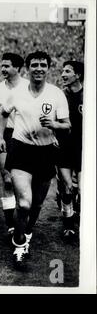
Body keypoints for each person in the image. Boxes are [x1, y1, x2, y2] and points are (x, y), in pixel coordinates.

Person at [0, 51, 70, 269]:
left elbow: (67, 125)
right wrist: (1, 137)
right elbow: (2, 113)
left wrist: (55, 125)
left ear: (48, 68)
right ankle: (19, 244)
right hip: (20, 151)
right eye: (35, 65)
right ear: (27, 68)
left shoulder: (56, 94)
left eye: (43, 65)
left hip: (45, 152)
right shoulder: (17, 93)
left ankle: (26, 233)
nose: (39, 68)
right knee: (24, 203)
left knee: (36, 204)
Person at [0, 53, 28, 235]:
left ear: (17, 68)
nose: (3, 69)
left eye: (7, 66)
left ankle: (24, 216)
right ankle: (11, 223)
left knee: (24, 182)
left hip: (25, 136)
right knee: (7, 179)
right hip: (5, 135)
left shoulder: (28, 86)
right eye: (2, 66)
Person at [56, 61, 84, 240]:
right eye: (62, 71)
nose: (63, 74)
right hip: (64, 147)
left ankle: (81, 216)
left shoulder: (88, 96)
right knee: (67, 188)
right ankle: (68, 226)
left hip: (84, 149)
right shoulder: (60, 96)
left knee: (82, 189)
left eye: (67, 71)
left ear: (78, 75)